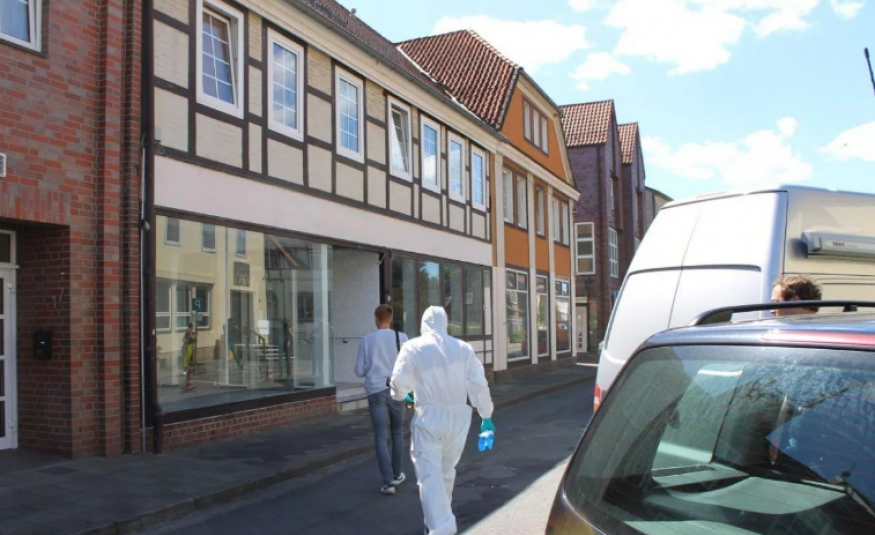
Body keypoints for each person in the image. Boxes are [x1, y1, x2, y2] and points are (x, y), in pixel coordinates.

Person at [390, 306, 494, 535]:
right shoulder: (463, 348)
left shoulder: (413, 347)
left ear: (423, 324)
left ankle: (442, 528)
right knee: (446, 472)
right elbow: (478, 384)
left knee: (430, 477)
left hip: (429, 416)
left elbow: (398, 383)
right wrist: (486, 416)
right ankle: (435, 524)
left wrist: (401, 395)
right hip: (458, 418)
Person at [355, 304, 409, 495]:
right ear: (391, 319)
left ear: (376, 319)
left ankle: (388, 483)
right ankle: (397, 474)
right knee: (397, 432)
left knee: (380, 436)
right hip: (397, 390)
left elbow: (359, 371)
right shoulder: (402, 338)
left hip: (376, 391)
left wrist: (373, 368)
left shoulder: (367, 339)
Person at [182, 322, 197, 391]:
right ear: (188, 328)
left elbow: (195, 340)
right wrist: (190, 338)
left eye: (192, 328)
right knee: (186, 363)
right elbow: (184, 340)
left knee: (190, 364)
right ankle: (185, 372)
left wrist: (192, 338)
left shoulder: (193, 333)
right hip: (187, 350)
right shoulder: (187, 334)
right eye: (190, 328)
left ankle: (189, 381)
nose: (191, 329)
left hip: (192, 350)